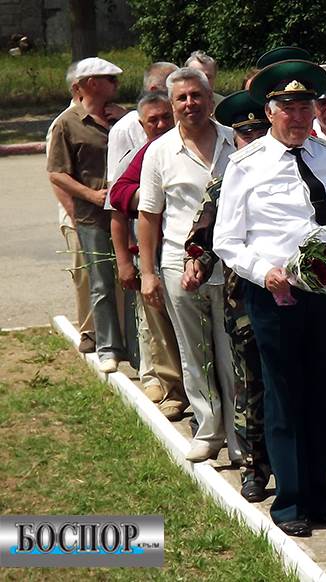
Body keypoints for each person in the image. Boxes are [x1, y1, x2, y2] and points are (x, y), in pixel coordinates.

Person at [213, 59, 326, 537]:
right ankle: (290, 503)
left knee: (323, 396)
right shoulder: (246, 164)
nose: (299, 117)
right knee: (284, 398)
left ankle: (322, 497)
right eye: (289, 108)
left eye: (306, 107)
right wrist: (264, 272)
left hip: (325, 295)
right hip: (275, 297)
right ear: (270, 111)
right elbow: (227, 240)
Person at [137, 67, 240, 463]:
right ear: (171, 104)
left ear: (211, 98)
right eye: (181, 98)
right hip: (180, 267)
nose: (190, 103)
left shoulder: (236, 141)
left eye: (197, 95)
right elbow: (149, 216)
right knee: (195, 352)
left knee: (232, 353)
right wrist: (148, 273)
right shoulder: (160, 151)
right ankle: (208, 431)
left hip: (232, 265)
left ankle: (238, 435)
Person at [182, 90, 272, 503]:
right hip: (244, 304)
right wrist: (196, 265)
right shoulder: (224, 183)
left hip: (295, 298)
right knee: (250, 386)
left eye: (260, 131)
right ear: (234, 138)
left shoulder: (292, 171)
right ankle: (254, 468)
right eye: (245, 133)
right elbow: (202, 238)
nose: (253, 139)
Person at [109, 91, 187, 421]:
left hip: (199, 254)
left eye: (166, 117)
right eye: (152, 120)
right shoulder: (145, 154)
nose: (161, 124)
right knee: (161, 328)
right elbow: (117, 196)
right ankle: (174, 392)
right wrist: (147, 193)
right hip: (156, 255)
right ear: (142, 126)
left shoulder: (196, 142)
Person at [47, 57, 127, 373]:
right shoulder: (67, 123)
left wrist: (128, 119)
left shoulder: (122, 117)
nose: (117, 85)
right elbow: (57, 173)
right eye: (111, 79)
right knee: (101, 283)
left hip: (127, 214)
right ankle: (108, 347)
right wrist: (90, 195)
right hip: (92, 217)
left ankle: (132, 344)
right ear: (92, 83)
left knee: (130, 280)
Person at [46, 62, 95, 354]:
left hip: (102, 216)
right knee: (85, 275)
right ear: (78, 88)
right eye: (95, 82)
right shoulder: (63, 123)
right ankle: (89, 331)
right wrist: (78, 218)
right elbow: (57, 177)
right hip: (78, 217)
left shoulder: (104, 118)